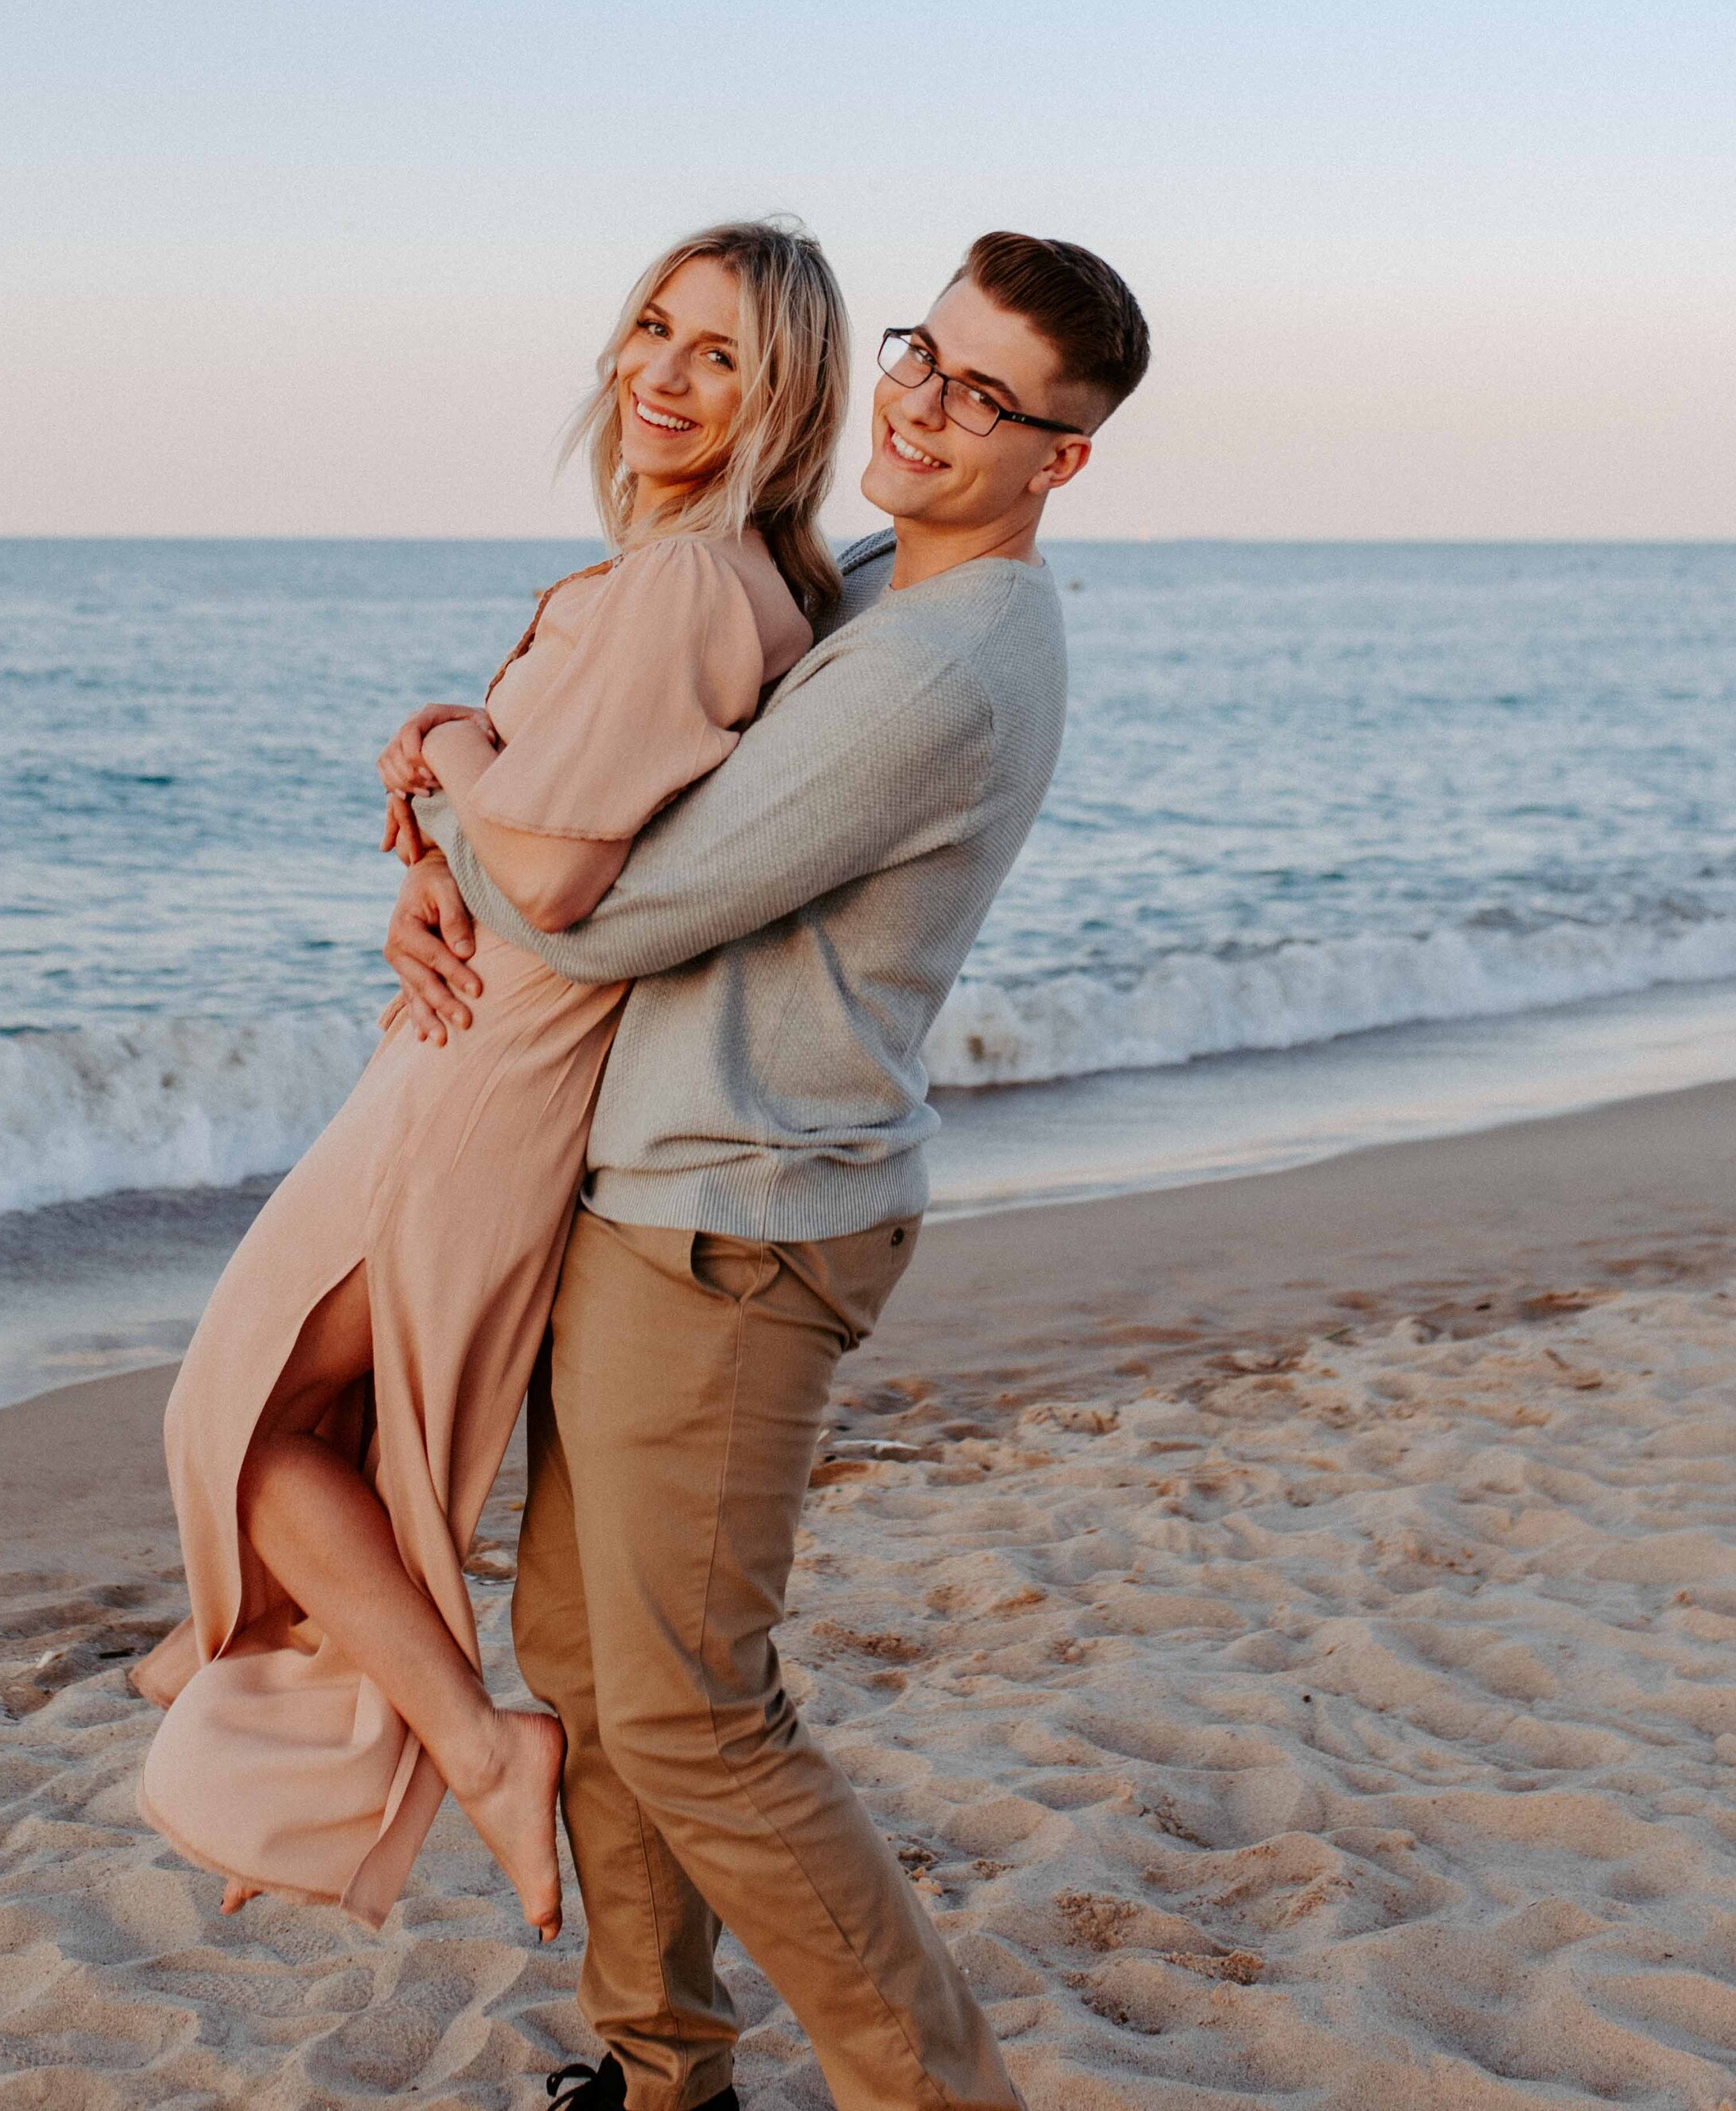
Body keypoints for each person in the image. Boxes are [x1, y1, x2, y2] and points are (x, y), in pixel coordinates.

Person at [386, 231, 1150, 2111]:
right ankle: (664, 2080)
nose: (920, 403)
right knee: (578, 1659)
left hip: (737, 1219)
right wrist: (449, 839)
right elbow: (600, 791)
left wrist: (447, 757)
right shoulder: (880, 585)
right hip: (652, 1185)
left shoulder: (945, 666)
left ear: (1060, 456)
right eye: (923, 352)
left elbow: (624, 906)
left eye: (986, 398)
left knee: (695, 1714)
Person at [130, 218, 849, 1943]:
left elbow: (559, 865)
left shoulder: (688, 583)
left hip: (479, 1077)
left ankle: (462, 1741)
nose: (660, 376)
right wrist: (438, 835)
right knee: (306, 1438)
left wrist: (439, 742)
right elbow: (530, 830)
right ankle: (295, 1715)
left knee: (230, 1425)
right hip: (462, 1052)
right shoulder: (685, 573)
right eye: (651, 331)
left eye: (719, 355)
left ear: (783, 397)